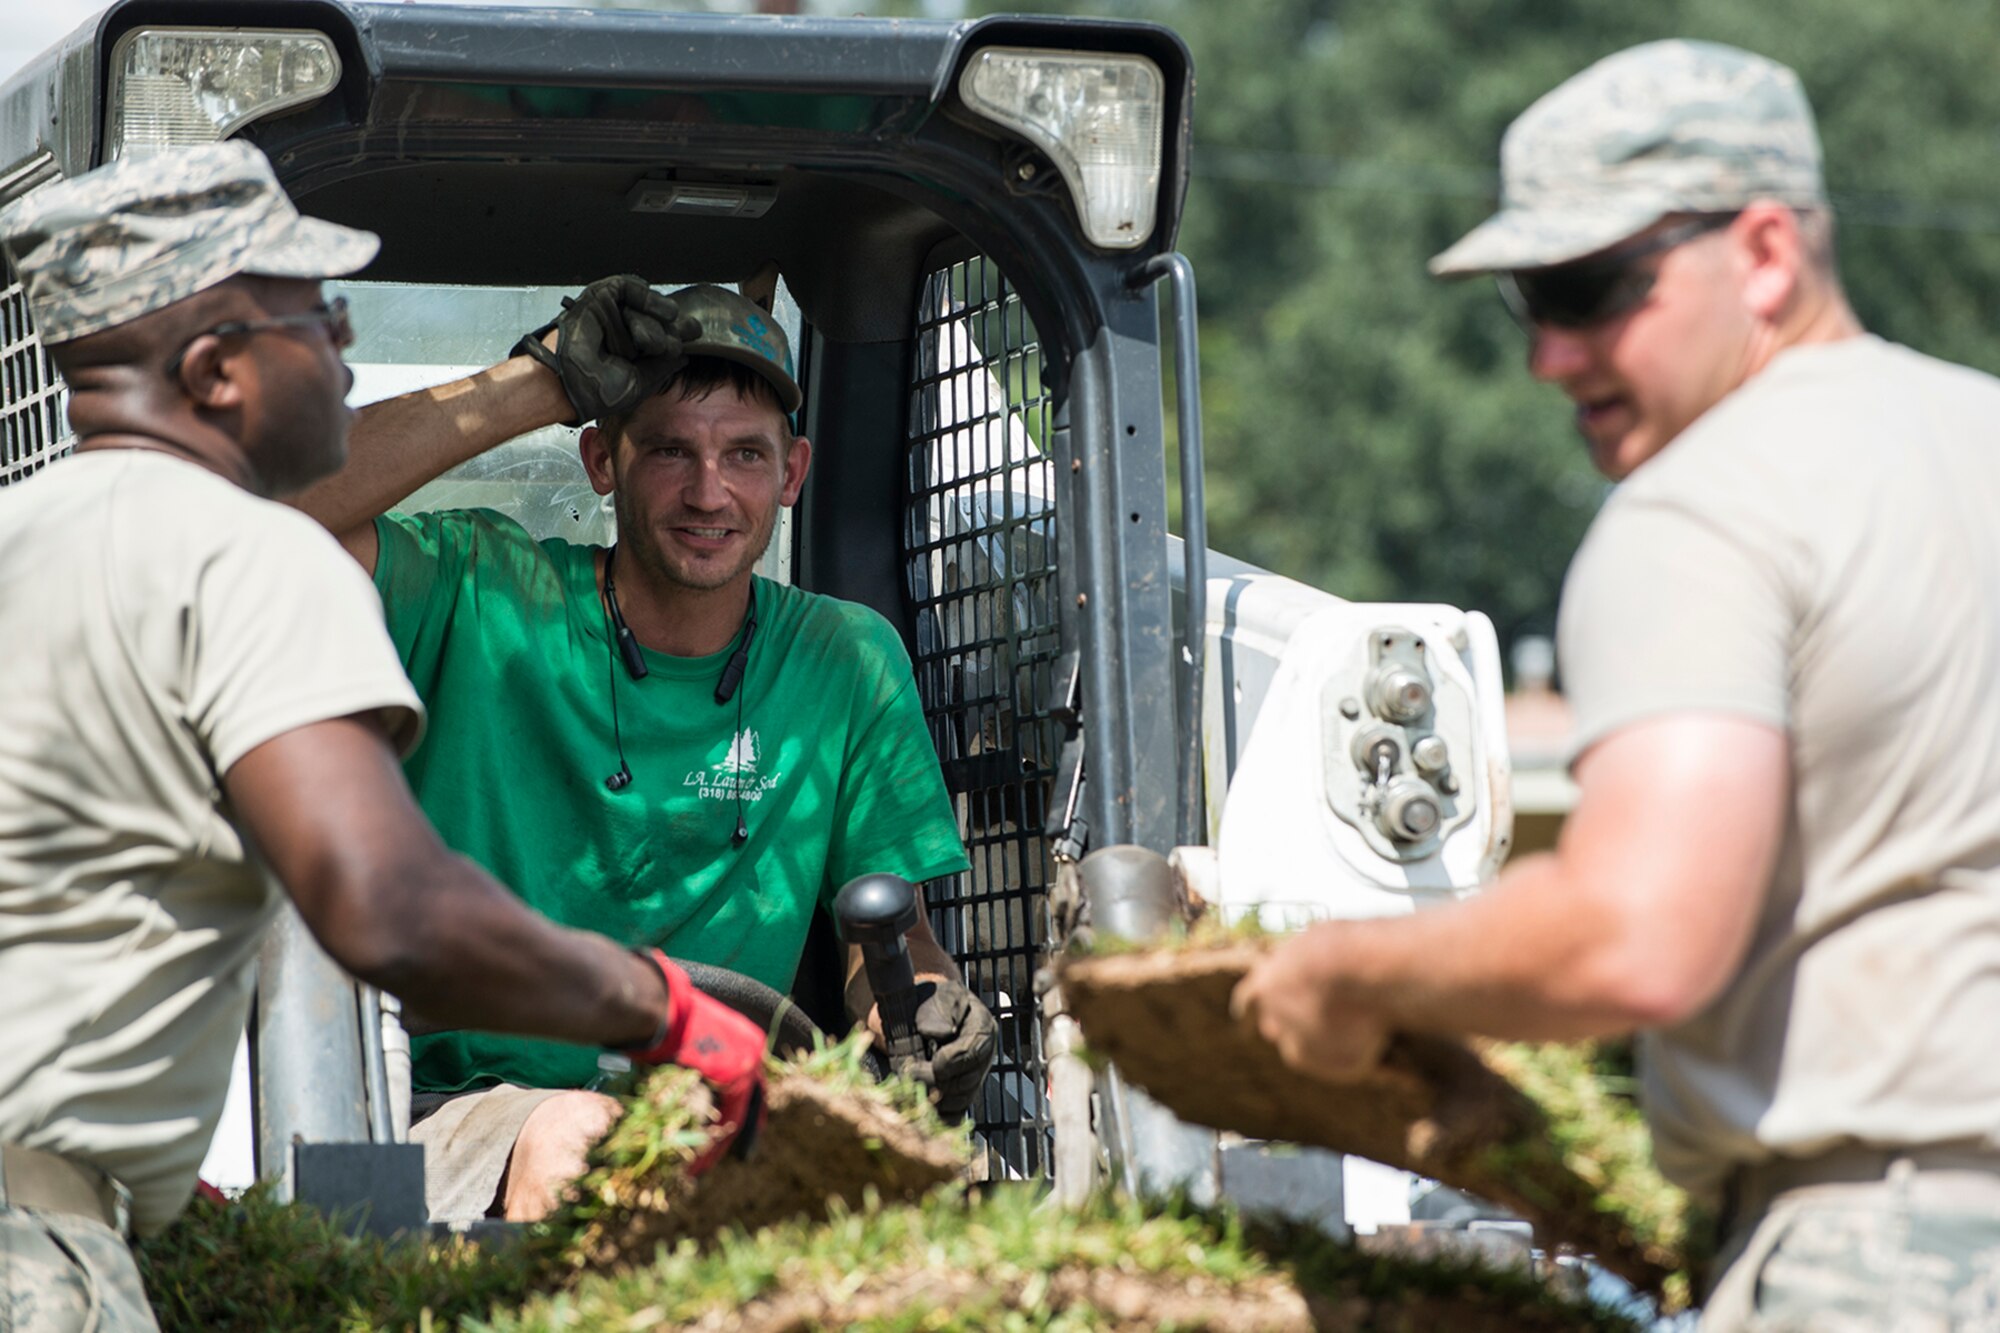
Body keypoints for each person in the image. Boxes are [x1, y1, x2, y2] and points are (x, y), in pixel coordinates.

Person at [1232, 39, 2000, 1329]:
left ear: (1762, 252)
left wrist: (1344, 972)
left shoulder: (1704, 505)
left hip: (1891, 1254)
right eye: (1528, 301)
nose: (1550, 356)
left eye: (1592, 290)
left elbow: (1635, 936)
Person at [0, 142, 773, 1332]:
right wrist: (661, 1007)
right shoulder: (246, 558)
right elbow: (388, 908)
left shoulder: (31, 533)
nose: (344, 344)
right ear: (215, 371)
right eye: (313, 314)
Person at [290, 272, 996, 1222]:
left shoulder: (847, 658)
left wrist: (921, 1012)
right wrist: (537, 382)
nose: (709, 491)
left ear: (791, 474)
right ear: (599, 461)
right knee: (584, 1142)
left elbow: (890, 941)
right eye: (669, 449)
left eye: (745, 454)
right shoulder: (474, 587)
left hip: (728, 1109)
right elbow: (263, 515)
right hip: (460, 1111)